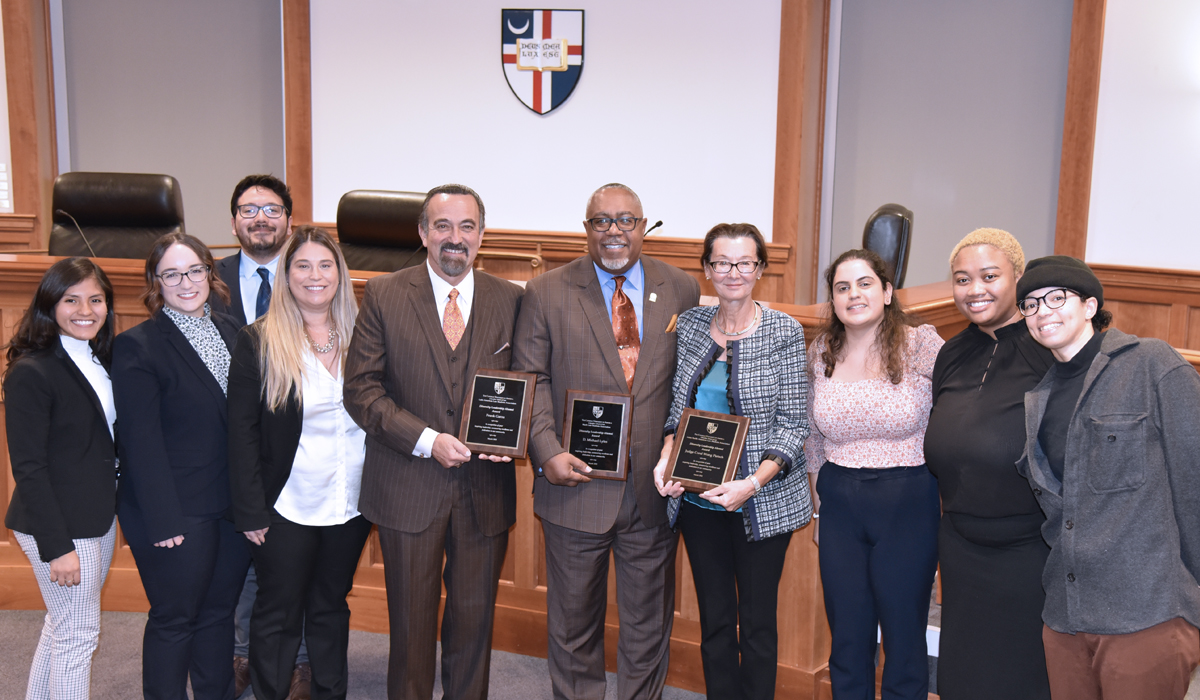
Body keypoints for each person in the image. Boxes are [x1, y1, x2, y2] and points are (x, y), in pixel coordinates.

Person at [512, 183, 700, 700]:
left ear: (644, 226)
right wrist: (545, 450)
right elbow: (532, 379)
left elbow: (687, 380)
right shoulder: (546, 292)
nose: (613, 231)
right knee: (573, 627)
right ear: (586, 228)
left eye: (625, 221)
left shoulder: (681, 288)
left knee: (648, 625)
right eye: (601, 221)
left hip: (653, 490)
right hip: (575, 486)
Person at [342, 184, 523, 700]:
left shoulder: (511, 299)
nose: (455, 239)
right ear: (423, 233)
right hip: (407, 488)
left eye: (467, 227)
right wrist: (425, 440)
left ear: (482, 236)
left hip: (484, 491)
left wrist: (510, 436)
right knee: (411, 631)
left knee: (473, 627)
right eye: (442, 226)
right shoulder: (383, 293)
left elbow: (530, 382)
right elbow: (362, 390)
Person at [1015, 256, 1200, 700]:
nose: (1043, 312)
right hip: (1065, 616)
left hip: (1146, 613)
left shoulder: (1151, 364)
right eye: (1030, 304)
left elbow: (1194, 482)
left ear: (1090, 305)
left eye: (1057, 298)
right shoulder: (1037, 397)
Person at [652, 223, 811, 700]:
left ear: (760, 269)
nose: (733, 272)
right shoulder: (691, 325)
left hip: (762, 503)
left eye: (745, 262)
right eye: (721, 262)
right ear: (706, 269)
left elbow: (794, 424)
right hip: (700, 505)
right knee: (716, 620)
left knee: (758, 623)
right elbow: (674, 408)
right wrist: (666, 457)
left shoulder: (785, 330)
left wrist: (751, 484)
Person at [227, 226, 370, 700]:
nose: (315, 275)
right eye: (302, 265)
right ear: (287, 276)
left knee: (330, 607)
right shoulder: (259, 342)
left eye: (325, 265)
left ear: (339, 274)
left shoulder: (365, 335)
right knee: (279, 611)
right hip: (284, 504)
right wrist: (249, 509)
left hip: (349, 501)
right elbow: (242, 433)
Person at [111, 232, 252, 699]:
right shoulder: (138, 346)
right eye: (171, 273)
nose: (186, 282)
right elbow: (140, 440)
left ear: (210, 273)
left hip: (227, 505)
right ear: (156, 282)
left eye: (194, 270)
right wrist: (161, 518)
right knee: (175, 618)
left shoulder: (233, 331)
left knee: (217, 613)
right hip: (174, 510)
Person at [805, 249, 943, 700]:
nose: (854, 294)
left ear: (886, 292)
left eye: (865, 283)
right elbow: (812, 437)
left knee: (903, 639)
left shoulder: (921, 344)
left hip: (908, 499)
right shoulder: (822, 350)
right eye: (842, 287)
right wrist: (820, 511)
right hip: (840, 502)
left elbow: (952, 421)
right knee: (848, 636)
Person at [923, 229, 1054, 700]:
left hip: (1030, 549)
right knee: (964, 674)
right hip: (960, 544)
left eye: (989, 275)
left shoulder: (1049, 352)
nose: (974, 289)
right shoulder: (951, 354)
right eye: (962, 278)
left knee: (1021, 677)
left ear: (1018, 277)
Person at [4, 257, 119, 700]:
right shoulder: (32, 371)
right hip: (60, 527)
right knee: (79, 633)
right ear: (50, 304)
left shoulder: (98, 357)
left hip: (96, 516)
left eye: (95, 299)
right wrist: (59, 548)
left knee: (62, 624)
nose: (85, 309)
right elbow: (28, 468)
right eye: (71, 300)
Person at [211, 174, 307, 699]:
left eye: (272, 209)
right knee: (243, 549)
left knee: (296, 556)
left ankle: (299, 663)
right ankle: (243, 652)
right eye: (248, 209)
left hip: (300, 445)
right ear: (233, 222)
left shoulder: (310, 274)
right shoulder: (207, 277)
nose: (260, 218)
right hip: (230, 440)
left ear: (288, 221)